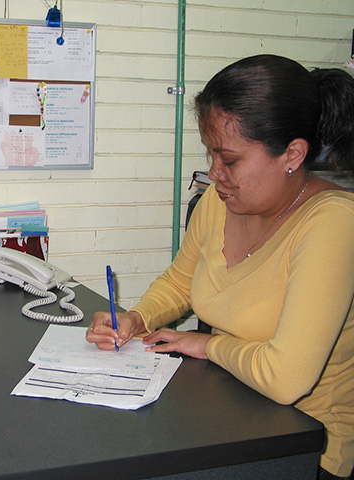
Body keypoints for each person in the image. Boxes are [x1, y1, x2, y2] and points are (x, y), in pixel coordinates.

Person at [87, 55, 354, 480]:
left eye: (229, 161)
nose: (215, 174)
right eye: (211, 155)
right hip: (228, 414)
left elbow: (285, 379)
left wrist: (204, 345)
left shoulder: (335, 224)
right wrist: (136, 318)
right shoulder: (219, 200)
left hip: (305, 448)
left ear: (293, 154)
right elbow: (180, 281)